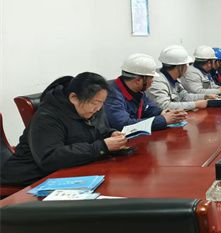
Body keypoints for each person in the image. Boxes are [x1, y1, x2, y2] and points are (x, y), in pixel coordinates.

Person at [0, 73, 128, 186]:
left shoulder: (92, 109)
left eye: (102, 103)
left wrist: (110, 134)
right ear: (74, 98)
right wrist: (102, 147)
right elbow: (49, 158)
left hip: (71, 170)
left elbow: (97, 131)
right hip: (32, 177)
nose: (98, 108)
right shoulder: (47, 117)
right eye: (95, 103)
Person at [104, 53, 187, 131]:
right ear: (138, 80)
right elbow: (123, 125)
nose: (152, 81)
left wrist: (163, 112)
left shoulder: (138, 90)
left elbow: (148, 108)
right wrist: (163, 119)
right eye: (151, 78)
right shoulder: (111, 93)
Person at [147, 45, 208, 111]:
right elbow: (164, 106)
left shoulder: (174, 79)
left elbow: (185, 96)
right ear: (180, 67)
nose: (187, 68)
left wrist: (205, 96)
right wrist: (195, 104)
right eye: (186, 64)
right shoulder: (157, 82)